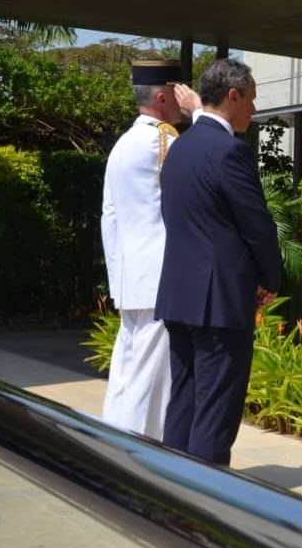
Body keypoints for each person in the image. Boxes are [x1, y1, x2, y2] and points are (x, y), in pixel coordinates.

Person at [155, 58, 282, 466]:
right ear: (233, 95)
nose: (254, 110)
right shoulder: (229, 151)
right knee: (215, 411)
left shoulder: (178, 148)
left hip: (179, 294)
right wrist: (269, 280)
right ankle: (205, 509)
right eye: (252, 99)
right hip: (219, 303)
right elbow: (257, 226)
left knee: (185, 401)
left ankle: (172, 495)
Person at [100, 59, 198, 439]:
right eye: (177, 92)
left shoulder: (122, 145)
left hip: (131, 277)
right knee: (150, 378)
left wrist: (116, 279)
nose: (181, 99)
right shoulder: (165, 141)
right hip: (161, 278)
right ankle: (136, 455)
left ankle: (113, 444)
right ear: (162, 97)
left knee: (127, 370)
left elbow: (109, 216)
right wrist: (201, 113)